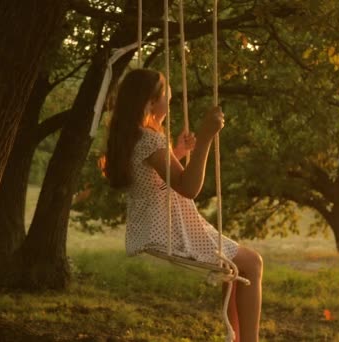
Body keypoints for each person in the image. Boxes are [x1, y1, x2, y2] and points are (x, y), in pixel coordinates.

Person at [103, 68, 262, 341]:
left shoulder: (130, 137)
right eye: (167, 95)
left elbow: (150, 178)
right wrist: (206, 138)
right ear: (150, 102)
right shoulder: (150, 139)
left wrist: (177, 153)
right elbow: (188, 188)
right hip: (172, 230)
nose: (171, 99)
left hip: (153, 227)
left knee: (237, 268)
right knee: (254, 264)